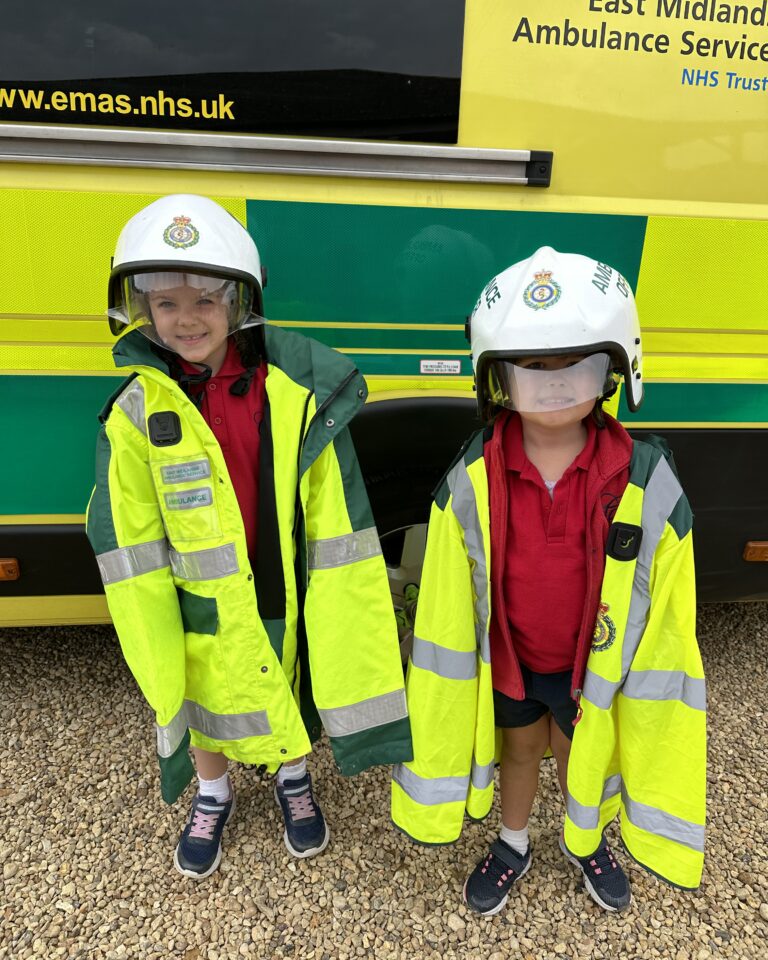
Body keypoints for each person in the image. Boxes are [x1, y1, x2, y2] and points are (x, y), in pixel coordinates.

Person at [87, 194, 412, 879]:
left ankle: (294, 779)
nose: (186, 318)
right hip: (192, 593)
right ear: (142, 310)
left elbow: (332, 509)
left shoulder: (288, 387)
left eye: (205, 300)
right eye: (166, 303)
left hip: (277, 576)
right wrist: (151, 624)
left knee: (283, 673)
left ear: (238, 303)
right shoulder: (137, 411)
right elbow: (131, 533)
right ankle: (213, 791)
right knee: (201, 692)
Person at [391, 246, 706, 914]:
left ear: (615, 368)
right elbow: (452, 594)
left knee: (578, 750)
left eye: (576, 363)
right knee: (521, 747)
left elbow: (671, 607)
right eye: (534, 367)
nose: (555, 383)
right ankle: (513, 842)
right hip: (513, 659)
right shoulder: (472, 476)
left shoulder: (644, 478)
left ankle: (583, 840)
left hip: (592, 668)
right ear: (499, 377)